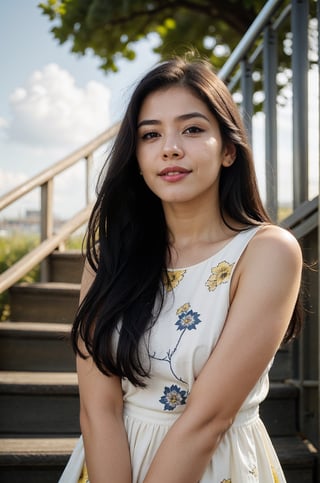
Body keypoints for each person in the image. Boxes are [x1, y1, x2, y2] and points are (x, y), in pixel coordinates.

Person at [59, 53, 303, 483]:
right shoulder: (109, 255)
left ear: (228, 149)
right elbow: (98, 410)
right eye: (150, 135)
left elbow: (207, 420)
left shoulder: (266, 252)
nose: (170, 147)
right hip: (107, 464)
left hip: (213, 464)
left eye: (192, 129)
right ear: (135, 156)